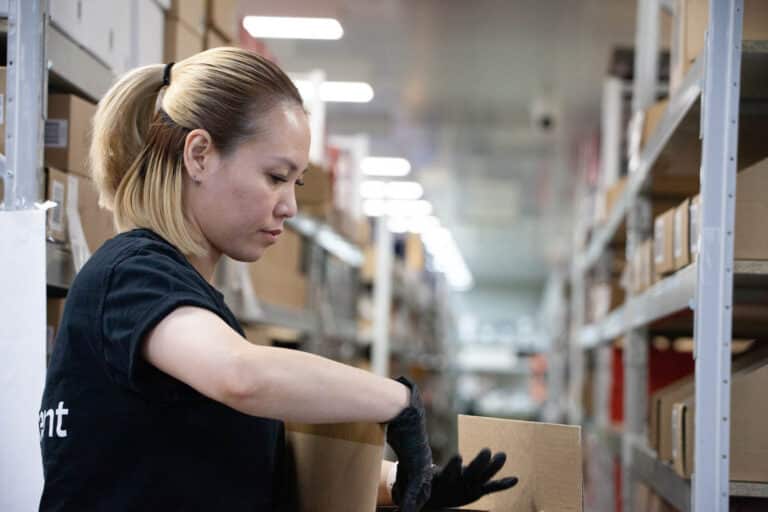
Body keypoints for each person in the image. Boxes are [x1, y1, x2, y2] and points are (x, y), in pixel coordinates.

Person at [38, 47, 517, 511]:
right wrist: (396, 400)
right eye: (275, 176)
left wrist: (408, 483)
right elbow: (241, 375)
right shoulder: (131, 274)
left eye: (296, 183)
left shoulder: (195, 303)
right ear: (200, 155)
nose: (289, 206)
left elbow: (242, 469)